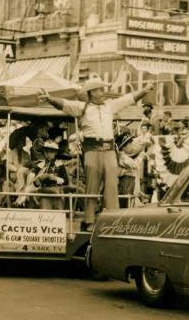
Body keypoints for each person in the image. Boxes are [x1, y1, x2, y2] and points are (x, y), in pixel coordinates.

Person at [40, 74, 153, 231]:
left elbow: (128, 99)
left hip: (109, 150)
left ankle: (113, 219)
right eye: (100, 90)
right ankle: (90, 220)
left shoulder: (110, 106)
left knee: (112, 184)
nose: (103, 92)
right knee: (92, 185)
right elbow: (65, 104)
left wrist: (145, 90)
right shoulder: (83, 108)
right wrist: (50, 99)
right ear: (92, 92)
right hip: (92, 150)